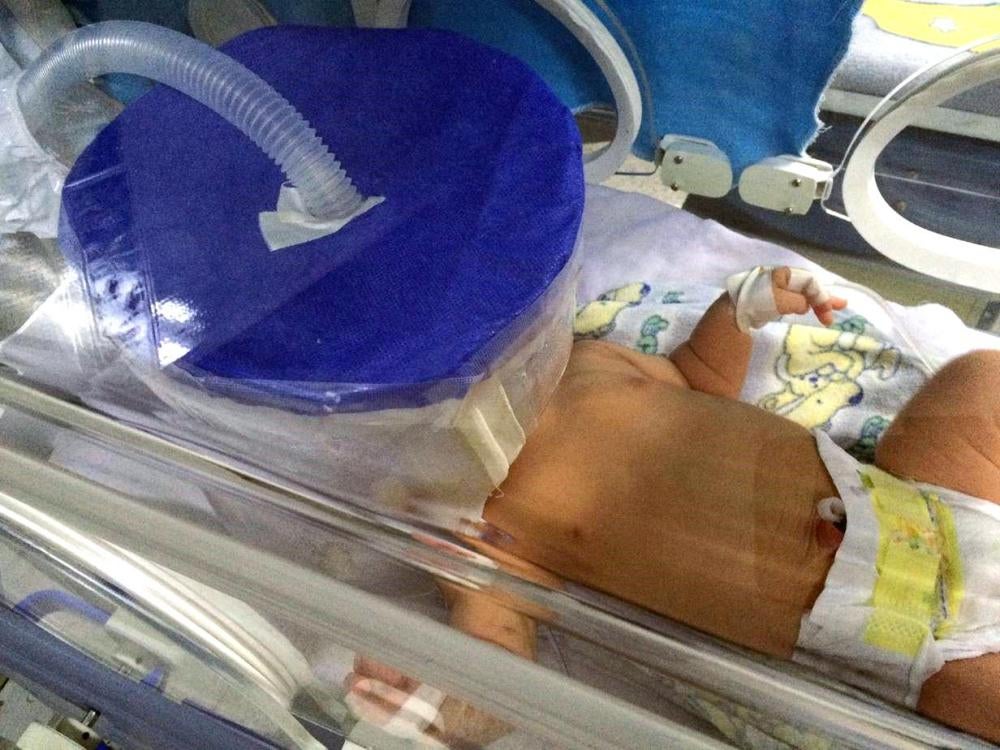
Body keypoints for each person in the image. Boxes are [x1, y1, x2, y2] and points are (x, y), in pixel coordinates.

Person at [347, 267, 1000, 746]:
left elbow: (699, 377)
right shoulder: (466, 514)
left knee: (978, 379)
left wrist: (736, 311)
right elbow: (498, 652)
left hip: (925, 500)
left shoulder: (590, 358)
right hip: (907, 630)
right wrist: (435, 703)